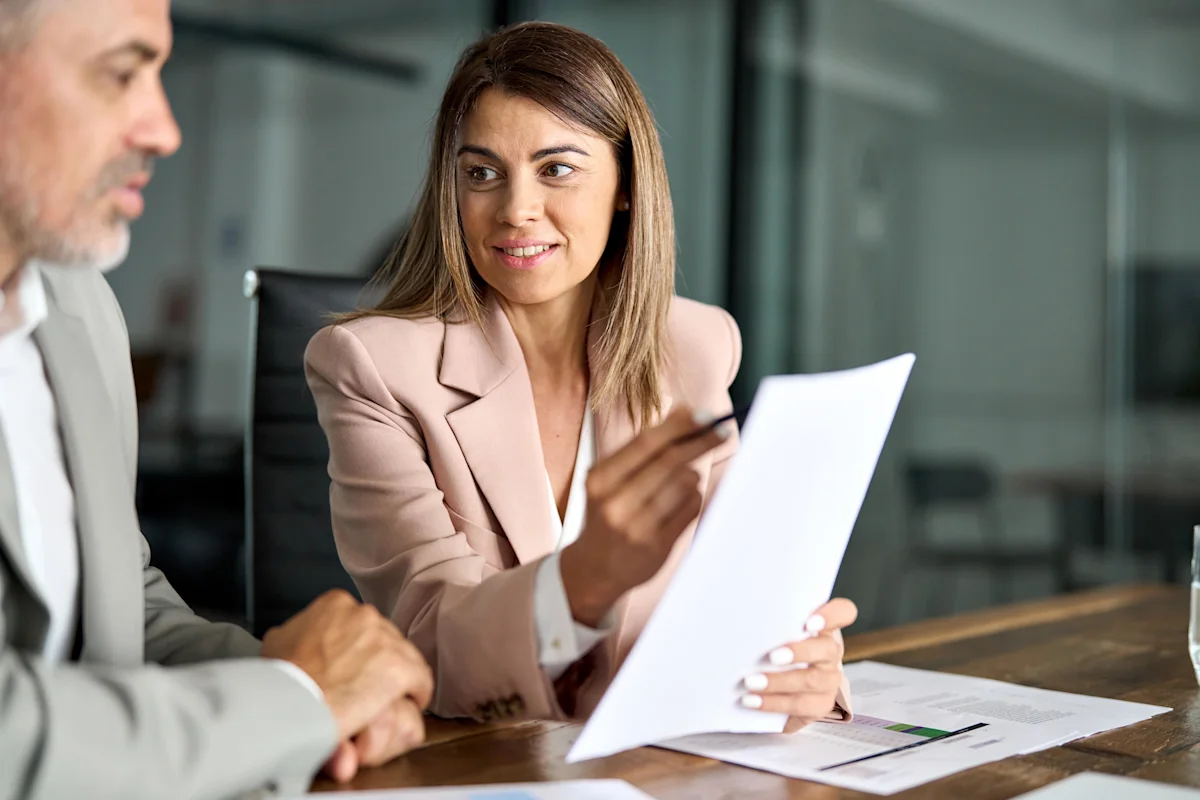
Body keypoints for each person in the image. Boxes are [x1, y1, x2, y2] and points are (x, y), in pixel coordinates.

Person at [306, 21, 856, 729]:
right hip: (485, 767)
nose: (515, 210)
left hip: (662, 763)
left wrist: (802, 668)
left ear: (625, 186)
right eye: (482, 173)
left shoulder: (695, 346)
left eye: (556, 168)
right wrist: (580, 586)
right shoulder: (374, 368)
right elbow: (430, 639)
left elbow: (742, 593)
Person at [0, 1, 434, 797]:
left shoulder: (80, 310)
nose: (163, 129)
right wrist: (295, 702)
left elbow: (119, 609)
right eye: (120, 73)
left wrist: (319, 692)